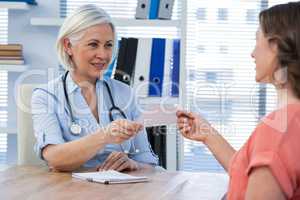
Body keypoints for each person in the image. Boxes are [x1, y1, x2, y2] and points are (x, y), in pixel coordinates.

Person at [177, 2, 300, 199]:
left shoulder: (278, 129)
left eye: (257, 40)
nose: (252, 53)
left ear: (276, 46)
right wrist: (208, 134)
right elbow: (247, 174)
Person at [31, 4, 158, 172]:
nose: (103, 55)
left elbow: (148, 163)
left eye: (108, 45)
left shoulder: (125, 94)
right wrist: (105, 136)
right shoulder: (46, 96)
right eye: (93, 44)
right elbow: (54, 158)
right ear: (68, 46)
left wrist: (134, 165)